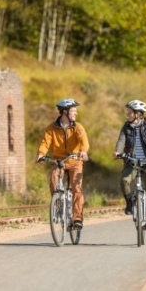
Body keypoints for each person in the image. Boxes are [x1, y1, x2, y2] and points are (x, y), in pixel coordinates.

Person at [35, 98, 89, 230]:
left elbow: (84, 141)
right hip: (59, 162)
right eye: (73, 111)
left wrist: (83, 151)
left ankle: (77, 219)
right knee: (53, 182)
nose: (76, 113)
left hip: (75, 161)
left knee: (77, 188)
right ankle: (59, 208)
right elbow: (45, 142)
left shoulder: (78, 127)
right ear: (64, 112)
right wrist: (41, 153)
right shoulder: (51, 128)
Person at [113, 99, 146, 235]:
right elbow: (121, 140)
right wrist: (117, 151)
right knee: (124, 181)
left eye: (129, 112)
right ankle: (130, 202)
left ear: (138, 114)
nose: (127, 115)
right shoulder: (126, 127)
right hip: (132, 162)